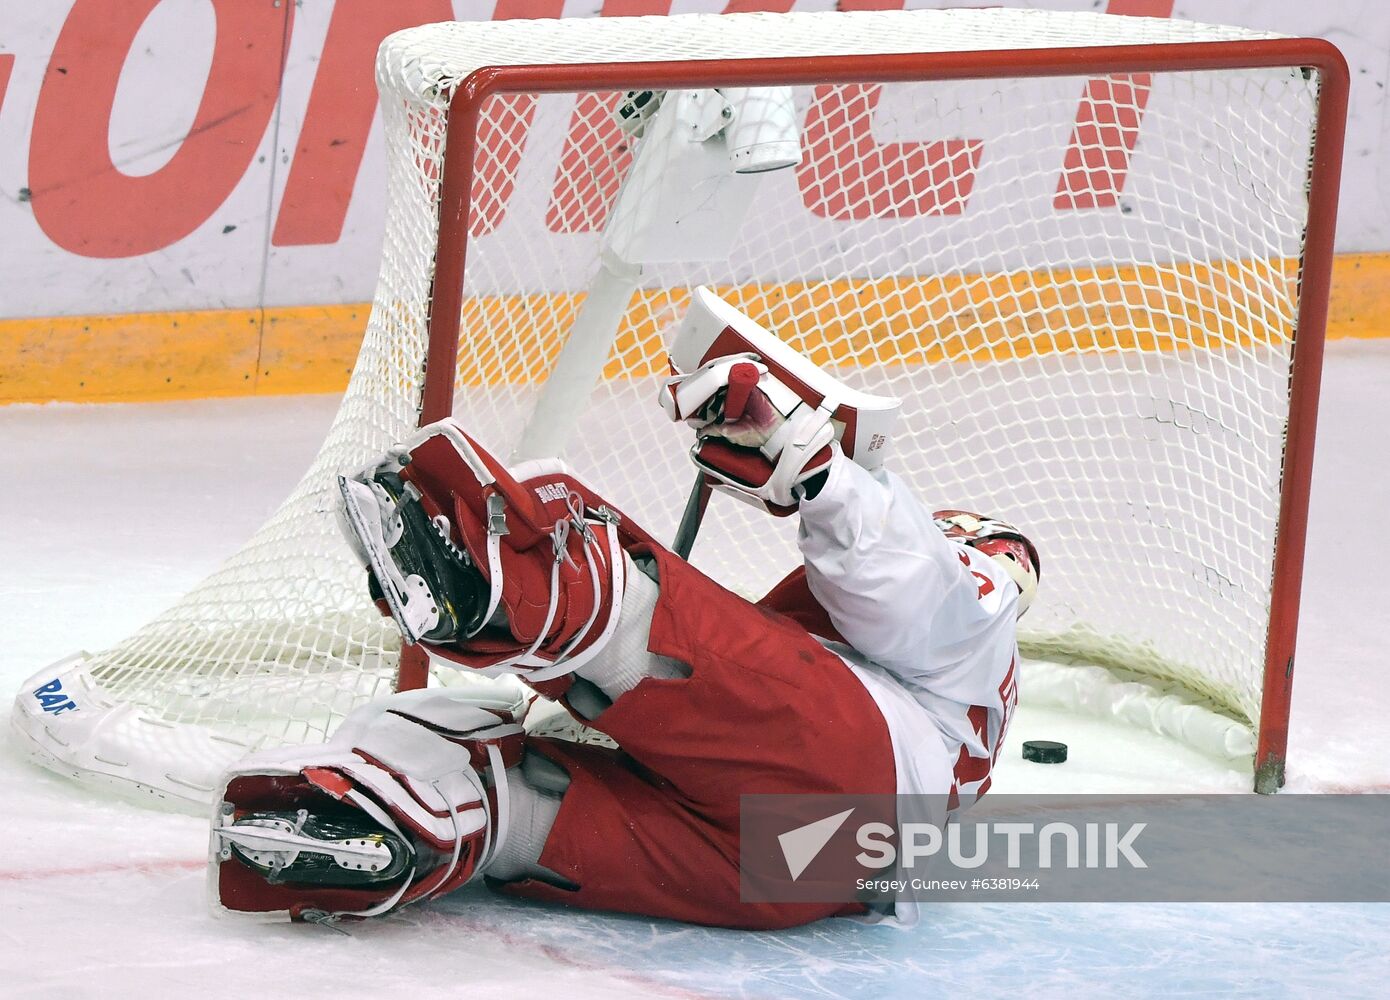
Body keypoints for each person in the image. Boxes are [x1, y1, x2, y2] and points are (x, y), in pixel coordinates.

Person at [209, 290, 1038, 930]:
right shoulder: (952, 720)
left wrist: (819, 473)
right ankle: (383, 825)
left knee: (625, 620)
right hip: (811, 879)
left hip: (848, 775)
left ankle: (497, 579)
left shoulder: (976, 602)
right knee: (514, 802)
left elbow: (919, 589)